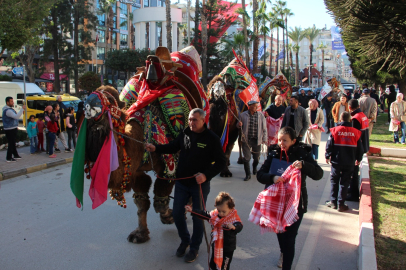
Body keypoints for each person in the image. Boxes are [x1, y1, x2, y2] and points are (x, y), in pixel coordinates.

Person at [145, 108, 226, 263]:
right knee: (176, 214)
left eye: (194, 120)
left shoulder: (212, 138)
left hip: (199, 185)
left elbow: (221, 162)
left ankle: (194, 248)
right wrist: (156, 148)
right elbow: (174, 146)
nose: (191, 122)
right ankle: (185, 240)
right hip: (182, 182)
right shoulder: (185, 133)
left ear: (203, 121)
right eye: (189, 119)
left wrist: (205, 175)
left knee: (197, 217)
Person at [256, 127, 323, 270]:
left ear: (293, 141)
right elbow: (260, 174)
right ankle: (283, 252)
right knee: (280, 233)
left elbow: (318, 174)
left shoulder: (302, 154)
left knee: (290, 238)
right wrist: (272, 178)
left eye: (285, 140)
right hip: (276, 203)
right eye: (279, 140)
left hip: (296, 204)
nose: (281, 143)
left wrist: (304, 165)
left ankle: (286, 264)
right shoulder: (274, 153)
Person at [185, 192, 243, 270]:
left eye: (223, 211)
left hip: (228, 248)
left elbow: (239, 225)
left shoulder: (233, 218)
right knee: (213, 264)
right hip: (216, 244)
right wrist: (193, 211)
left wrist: (234, 227)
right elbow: (204, 215)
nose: (221, 213)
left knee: (224, 267)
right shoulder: (215, 215)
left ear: (231, 208)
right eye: (219, 210)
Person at [325, 112, 363, 212]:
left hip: (336, 161)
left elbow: (329, 144)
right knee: (345, 182)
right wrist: (358, 159)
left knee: (334, 181)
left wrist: (327, 155)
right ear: (350, 120)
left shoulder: (334, 130)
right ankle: (341, 204)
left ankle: (333, 202)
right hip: (349, 162)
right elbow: (360, 148)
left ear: (340, 120)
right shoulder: (356, 132)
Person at [237, 100, 267, 181]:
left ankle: (254, 168)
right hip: (246, 139)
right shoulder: (243, 115)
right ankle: (248, 174)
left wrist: (265, 139)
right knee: (247, 158)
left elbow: (264, 128)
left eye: (256, 106)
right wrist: (239, 125)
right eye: (254, 106)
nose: (256, 107)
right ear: (249, 107)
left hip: (257, 140)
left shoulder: (261, 115)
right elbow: (238, 126)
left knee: (256, 157)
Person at [348, 99, 370, 201]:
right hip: (364, 145)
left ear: (349, 107)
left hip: (357, 148)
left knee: (353, 172)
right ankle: (351, 189)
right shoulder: (363, 115)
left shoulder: (355, 118)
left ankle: (353, 194)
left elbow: (354, 136)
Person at [2, 97, 25, 162]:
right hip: (10, 129)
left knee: (12, 142)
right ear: (7, 102)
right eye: (11, 101)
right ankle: (8, 158)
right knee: (11, 143)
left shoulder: (10, 109)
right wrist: (22, 109)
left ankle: (15, 155)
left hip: (12, 128)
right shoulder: (8, 111)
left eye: (12, 101)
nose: (13, 102)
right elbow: (16, 116)